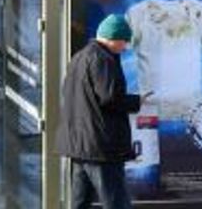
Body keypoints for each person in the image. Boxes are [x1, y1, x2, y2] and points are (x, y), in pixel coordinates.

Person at [57, 14, 143, 209]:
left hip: (80, 144)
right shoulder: (103, 59)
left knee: (80, 202)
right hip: (100, 147)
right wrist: (138, 100)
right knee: (116, 201)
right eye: (124, 41)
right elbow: (110, 98)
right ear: (114, 38)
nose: (125, 47)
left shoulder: (79, 57)